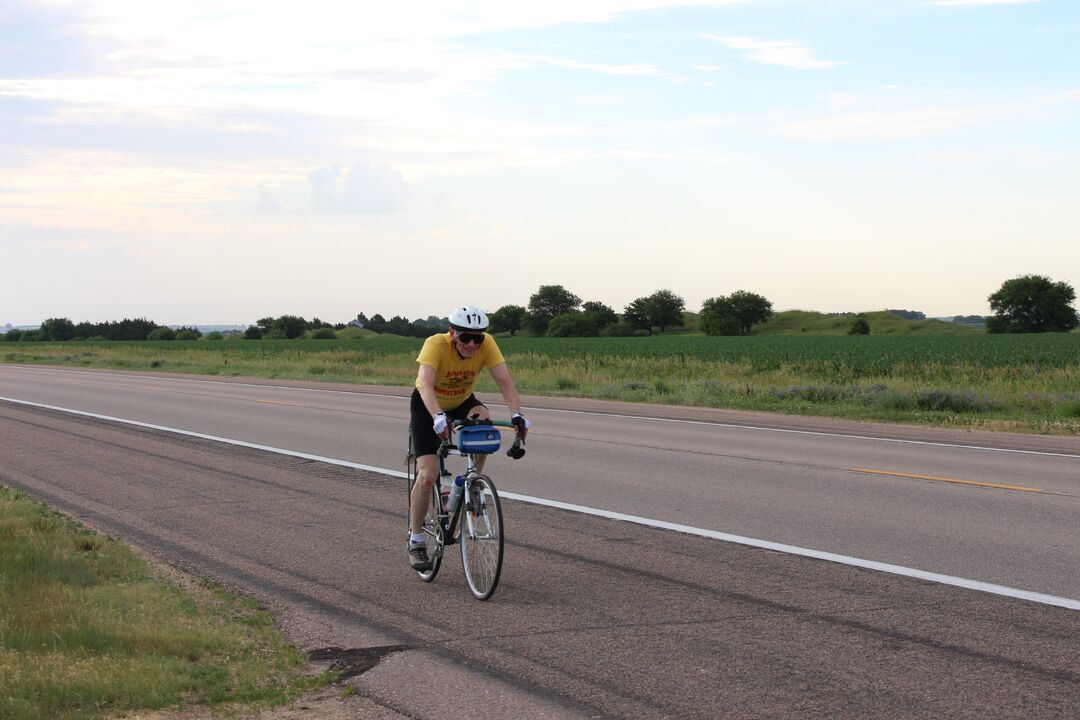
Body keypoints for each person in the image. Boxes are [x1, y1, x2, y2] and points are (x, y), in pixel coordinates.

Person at [407, 305, 530, 571]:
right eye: (465, 338)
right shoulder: (435, 345)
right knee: (427, 475)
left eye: (478, 338)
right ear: (452, 333)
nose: (472, 344)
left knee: (484, 424)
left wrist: (517, 415)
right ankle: (416, 539)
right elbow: (425, 384)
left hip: (462, 402)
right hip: (428, 404)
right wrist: (438, 416)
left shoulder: (487, 345)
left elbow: (505, 382)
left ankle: (472, 481)